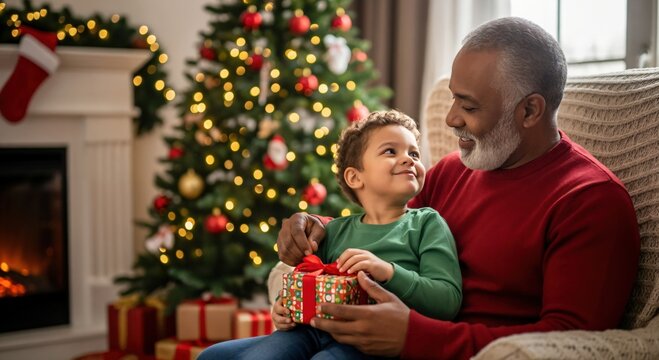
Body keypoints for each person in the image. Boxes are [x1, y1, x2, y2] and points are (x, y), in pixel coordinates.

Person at [271, 17, 641, 359]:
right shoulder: (454, 170)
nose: (450, 118)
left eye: (468, 105)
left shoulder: (590, 202)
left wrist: (413, 336)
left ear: (529, 111)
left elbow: (567, 343)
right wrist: (317, 225)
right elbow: (386, 225)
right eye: (452, 97)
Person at [199, 110, 462, 359]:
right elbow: (303, 281)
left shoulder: (427, 223)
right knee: (218, 355)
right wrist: (283, 307)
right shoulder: (334, 231)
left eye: (414, 154)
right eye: (391, 151)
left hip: (366, 340)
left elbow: (447, 301)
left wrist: (388, 272)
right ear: (355, 177)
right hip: (309, 330)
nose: (409, 159)